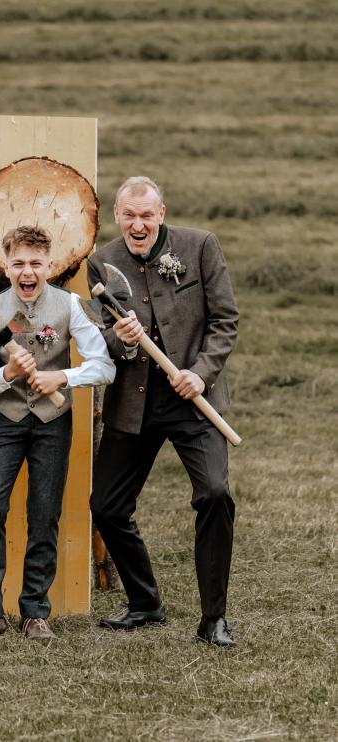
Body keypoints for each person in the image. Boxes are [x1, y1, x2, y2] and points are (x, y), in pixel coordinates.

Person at [87, 176, 239, 647]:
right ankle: (145, 601)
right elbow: (99, 338)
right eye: (129, 215)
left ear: (161, 212)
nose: (138, 224)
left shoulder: (200, 247)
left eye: (146, 215)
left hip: (193, 399)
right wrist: (123, 341)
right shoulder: (101, 263)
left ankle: (213, 618)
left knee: (215, 494)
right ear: (117, 215)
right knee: (107, 506)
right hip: (134, 404)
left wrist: (201, 372)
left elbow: (225, 320)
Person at [0, 226, 115, 639]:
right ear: (7, 267)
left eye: (35, 264)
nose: (27, 271)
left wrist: (62, 375)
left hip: (52, 424)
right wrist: (7, 371)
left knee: (44, 515)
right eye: (19, 263)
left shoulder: (70, 307)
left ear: (48, 266)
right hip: (6, 423)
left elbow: (104, 366)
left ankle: (34, 613)